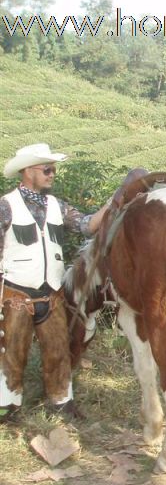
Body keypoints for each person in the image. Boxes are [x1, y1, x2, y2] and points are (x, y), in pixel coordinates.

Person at [1, 143, 108, 421]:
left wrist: (112, 204)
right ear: (28, 172)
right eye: (47, 169)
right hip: (16, 293)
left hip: (52, 293)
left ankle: (62, 404)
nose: (52, 174)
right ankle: (8, 408)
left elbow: (87, 224)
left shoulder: (55, 205)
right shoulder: (5, 206)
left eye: (53, 169)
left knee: (59, 350)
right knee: (13, 351)